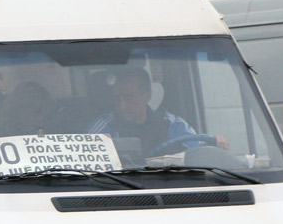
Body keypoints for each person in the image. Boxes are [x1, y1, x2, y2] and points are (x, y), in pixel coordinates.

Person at [88, 66, 228, 157]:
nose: (121, 106)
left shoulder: (172, 124)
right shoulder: (102, 128)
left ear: (147, 95)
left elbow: (199, 152)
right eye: (117, 98)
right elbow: (85, 160)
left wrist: (214, 144)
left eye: (129, 98)